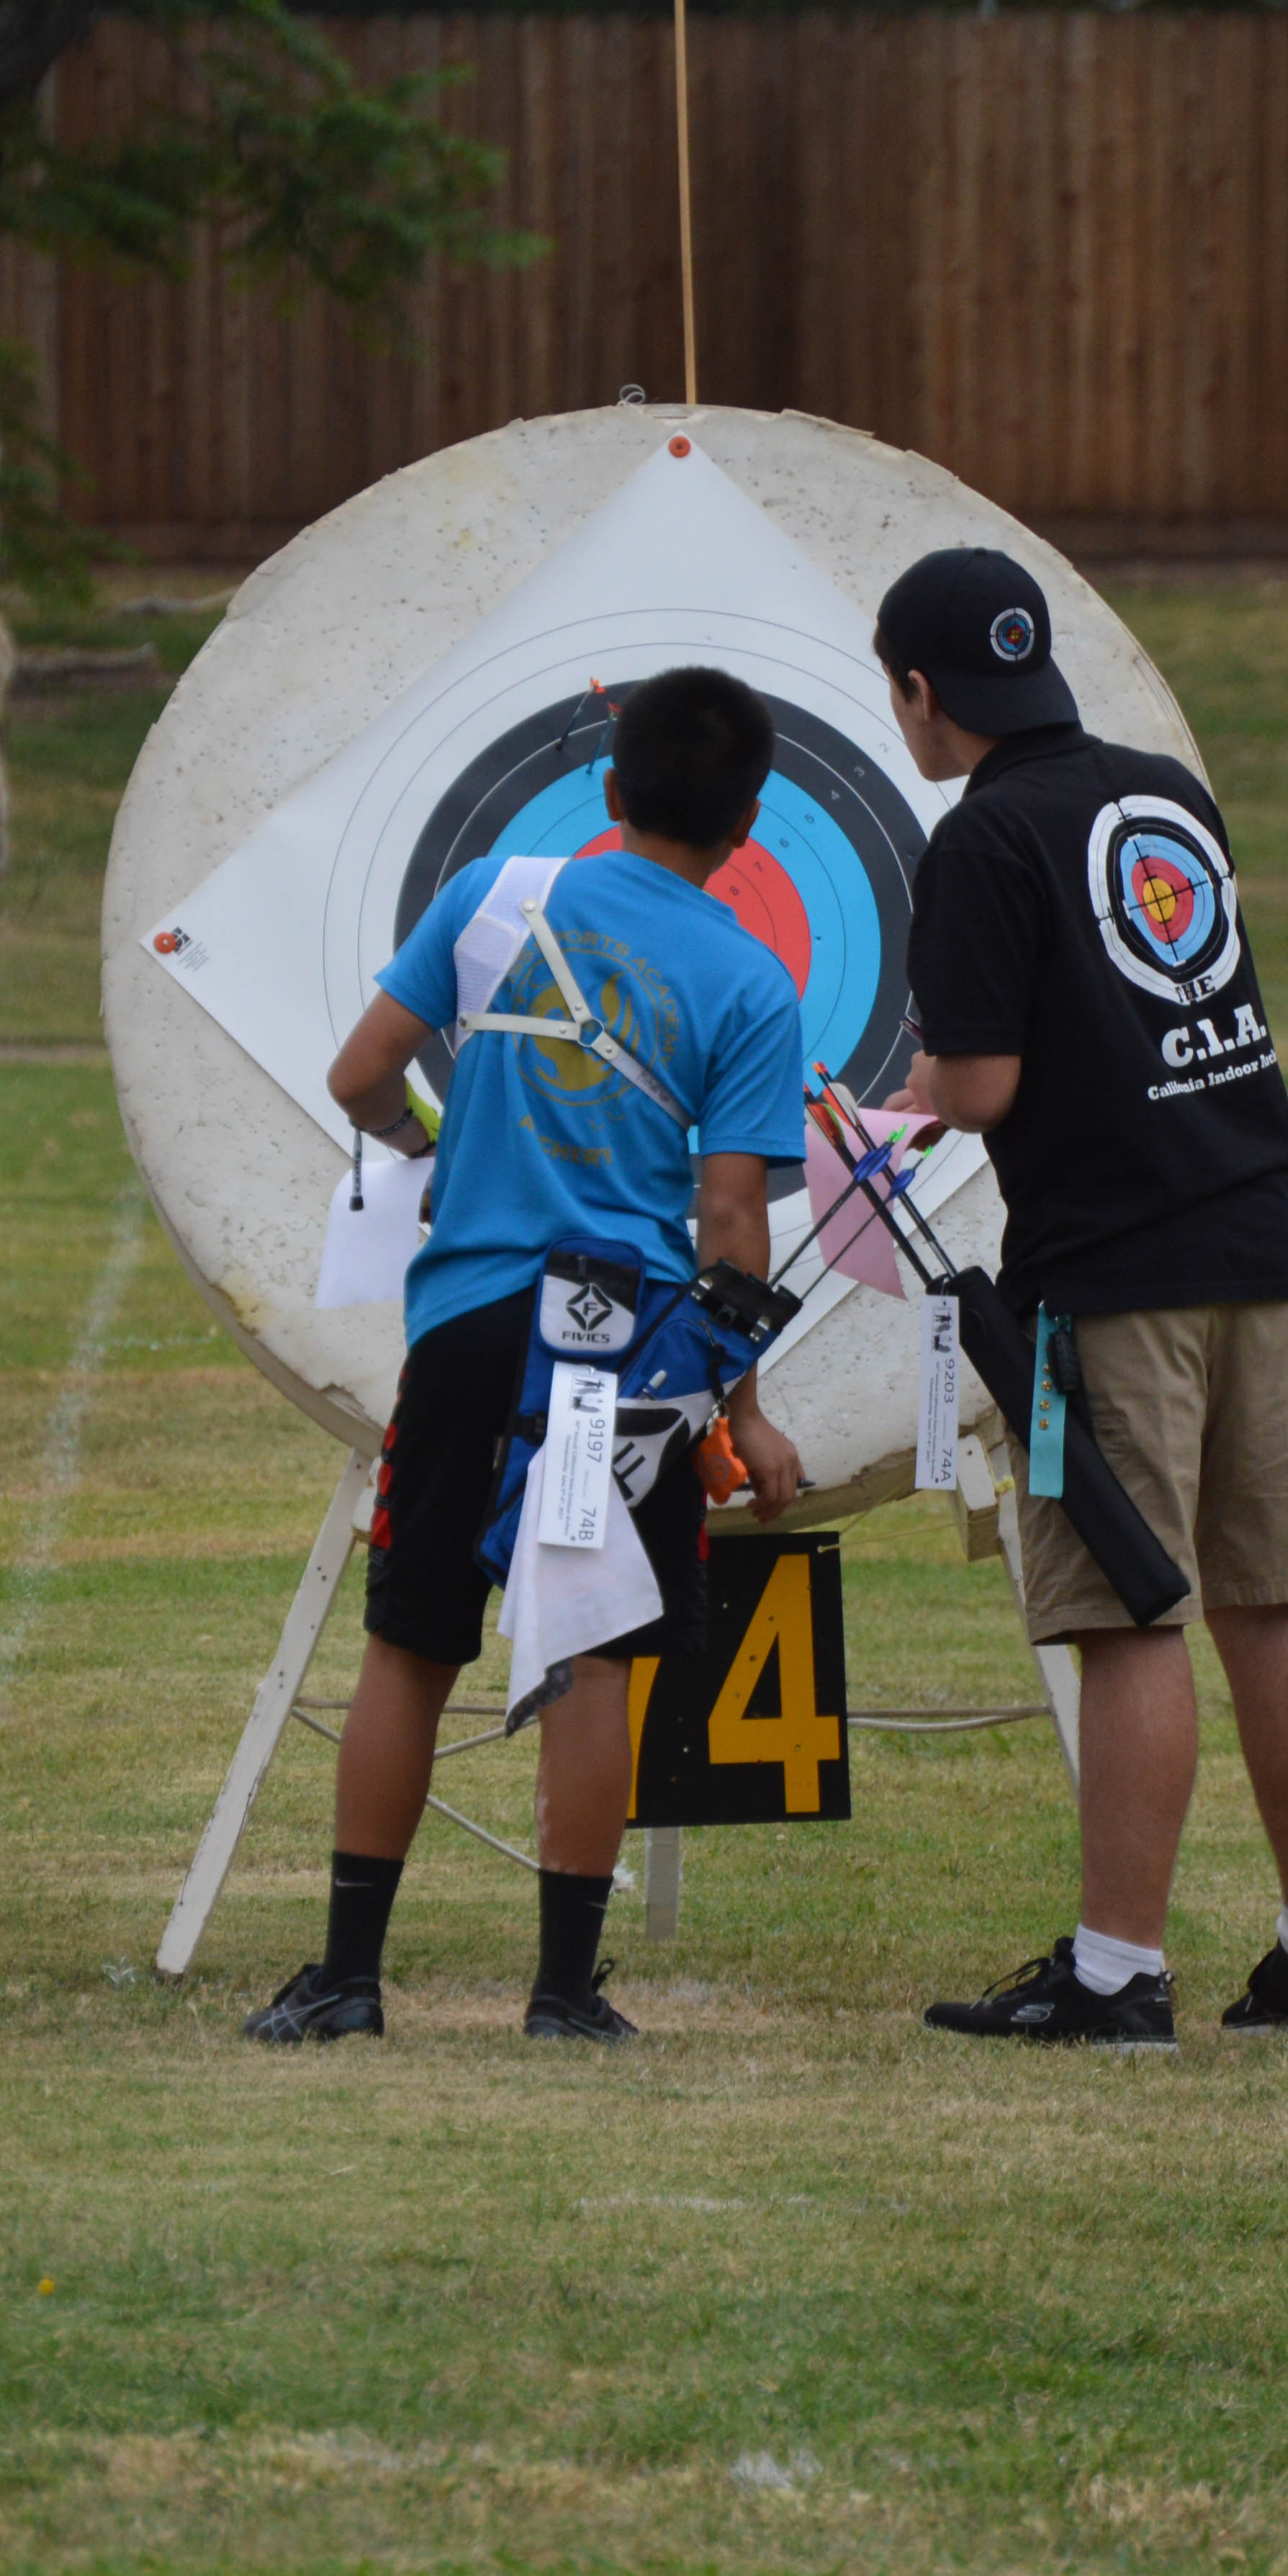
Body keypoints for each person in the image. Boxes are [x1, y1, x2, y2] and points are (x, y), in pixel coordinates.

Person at [240, 666, 808, 2050]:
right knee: (595, 1651)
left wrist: (437, 1154)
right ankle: (563, 1995)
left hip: (473, 1324)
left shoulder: (498, 894)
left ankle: (349, 1982)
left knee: (412, 1640)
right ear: (750, 827)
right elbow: (731, 1216)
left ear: (609, 795)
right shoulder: (750, 978)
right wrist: (745, 1405)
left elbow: (361, 1073)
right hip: (617, 1350)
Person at [870, 546, 1288, 2050]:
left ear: (917, 691)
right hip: (1253, 1248)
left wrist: (876, 1103)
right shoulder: (1161, 789)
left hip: (1104, 1276)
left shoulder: (981, 839)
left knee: (1126, 1609)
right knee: (1267, 1594)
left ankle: (1114, 1974)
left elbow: (978, 1082)